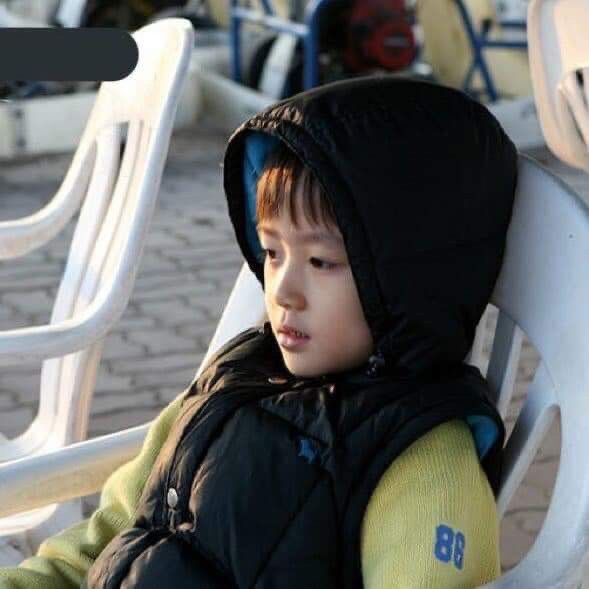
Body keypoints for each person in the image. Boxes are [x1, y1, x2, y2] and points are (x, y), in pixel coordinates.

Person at [0, 75, 517, 588]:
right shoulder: (236, 376)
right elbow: (100, 543)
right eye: (272, 252)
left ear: (409, 280)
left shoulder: (419, 455)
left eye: (321, 261)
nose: (283, 291)